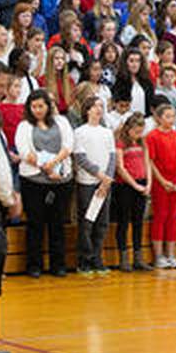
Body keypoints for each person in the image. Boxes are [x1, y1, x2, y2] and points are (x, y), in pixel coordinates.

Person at [14, 89, 74, 277]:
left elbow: (68, 146)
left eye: (41, 106)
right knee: (35, 223)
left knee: (58, 223)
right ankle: (34, 265)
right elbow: (24, 152)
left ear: (48, 106)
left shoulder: (62, 122)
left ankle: (58, 264)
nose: (37, 110)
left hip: (60, 180)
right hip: (34, 180)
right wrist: (45, 168)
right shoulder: (24, 126)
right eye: (33, 107)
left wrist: (54, 164)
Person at [70, 88, 116, 275]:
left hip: (104, 183)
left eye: (101, 106)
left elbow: (112, 157)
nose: (99, 109)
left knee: (102, 223)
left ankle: (97, 258)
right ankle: (84, 260)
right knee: (87, 222)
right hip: (87, 183)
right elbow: (81, 158)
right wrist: (100, 175)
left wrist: (107, 180)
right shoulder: (80, 132)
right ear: (87, 110)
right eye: (95, 106)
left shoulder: (107, 132)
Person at [145, 103, 176, 269]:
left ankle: (171, 254)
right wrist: (162, 181)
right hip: (161, 183)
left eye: (173, 116)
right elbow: (151, 161)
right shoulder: (152, 136)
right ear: (158, 118)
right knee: (160, 216)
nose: (171, 120)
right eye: (167, 116)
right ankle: (158, 256)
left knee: (172, 217)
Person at [111, 113, 151, 272]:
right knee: (124, 221)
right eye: (136, 131)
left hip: (141, 183)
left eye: (141, 131)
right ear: (128, 129)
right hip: (125, 186)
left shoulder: (142, 142)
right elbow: (120, 168)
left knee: (138, 222)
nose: (138, 134)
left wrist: (148, 183)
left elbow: (147, 162)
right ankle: (123, 258)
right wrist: (134, 185)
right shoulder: (121, 143)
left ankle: (138, 257)